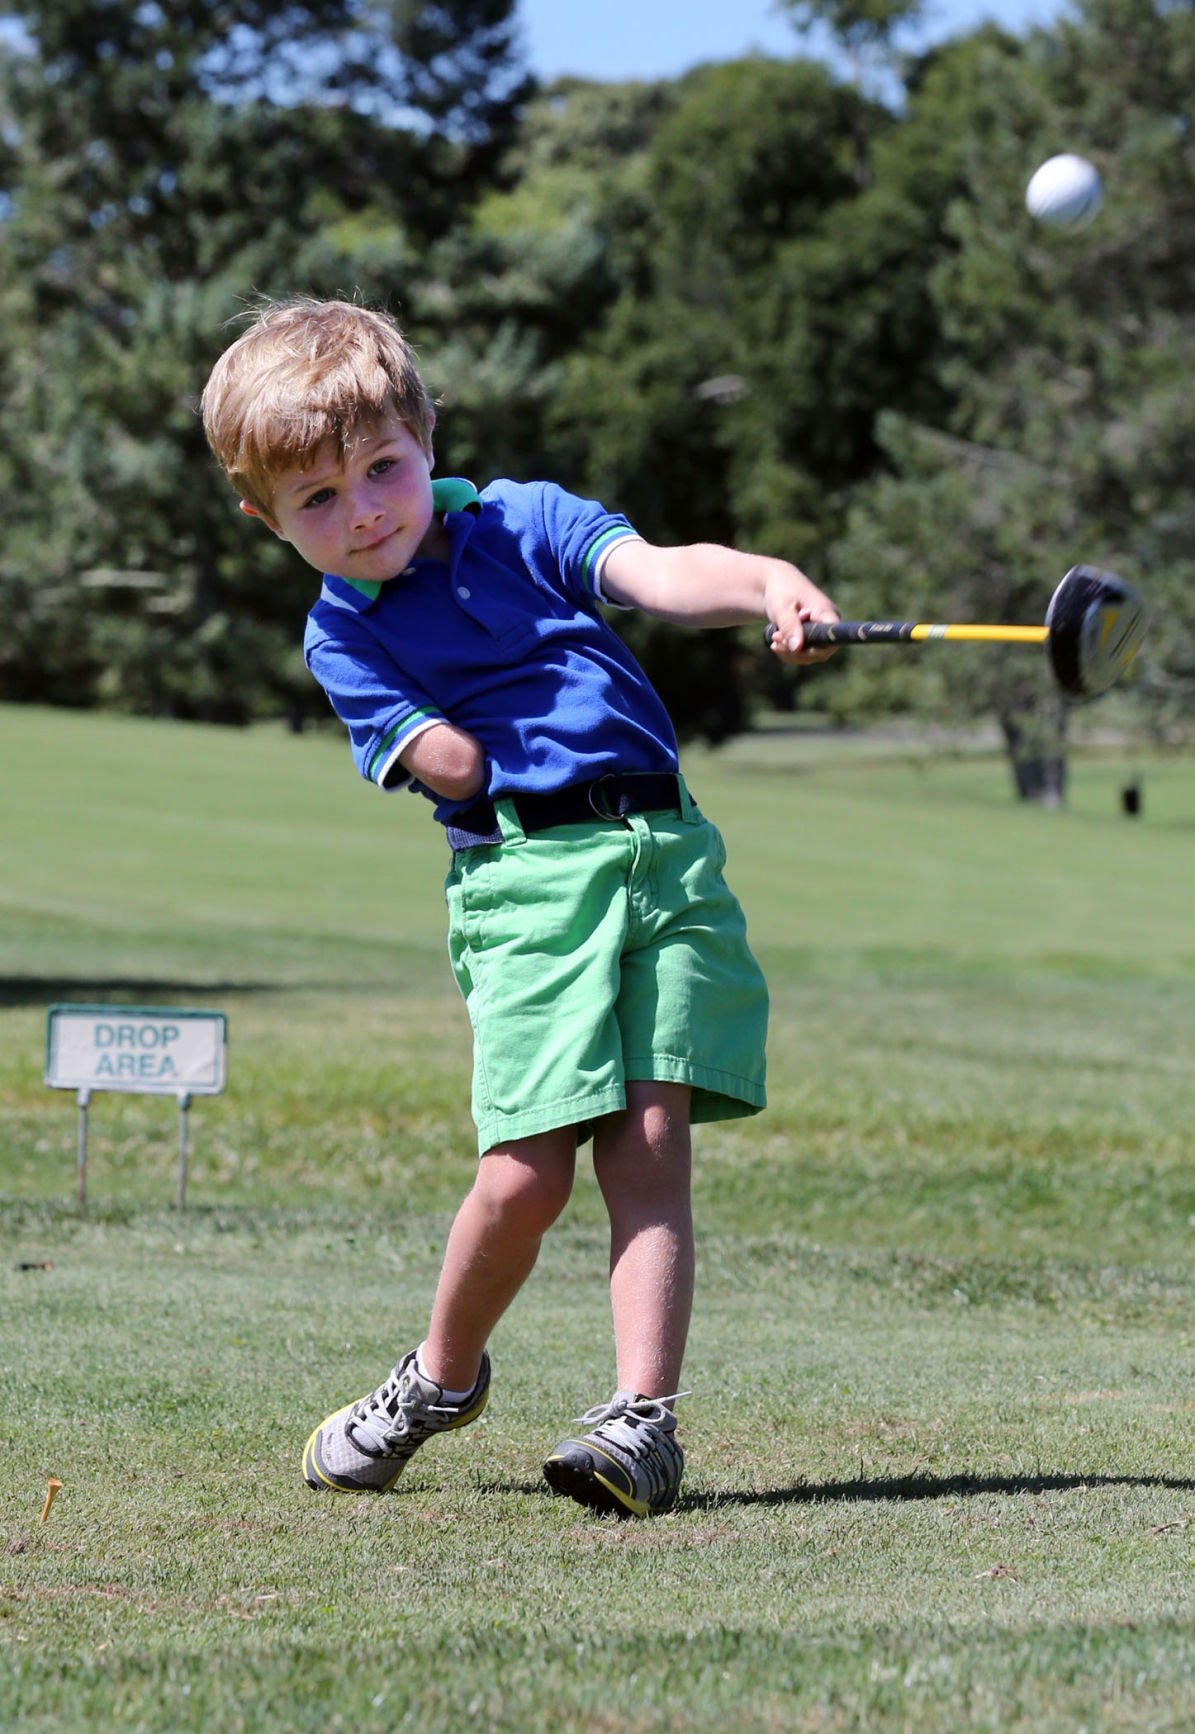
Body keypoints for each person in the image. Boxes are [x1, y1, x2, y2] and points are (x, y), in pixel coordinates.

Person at [200, 297, 839, 1518]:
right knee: (527, 1175)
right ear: (265, 520)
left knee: (651, 1149)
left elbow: (654, 575)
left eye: (382, 469)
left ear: (428, 434)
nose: (366, 512)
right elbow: (456, 768)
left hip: (666, 851)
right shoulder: (343, 634)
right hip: (528, 881)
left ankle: (640, 1421)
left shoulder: (527, 522)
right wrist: (504, 690)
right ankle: (439, 1380)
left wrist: (764, 581)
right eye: (318, 503)